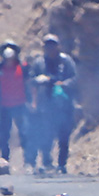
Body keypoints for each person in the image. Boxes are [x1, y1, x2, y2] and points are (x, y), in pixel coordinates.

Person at [29, 34, 78, 174]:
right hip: (46, 104)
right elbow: (31, 80)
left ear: (58, 46)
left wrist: (64, 84)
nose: (50, 48)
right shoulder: (39, 62)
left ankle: (62, 164)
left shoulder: (66, 61)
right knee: (46, 134)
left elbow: (74, 77)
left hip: (64, 104)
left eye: (53, 45)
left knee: (64, 135)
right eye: (47, 45)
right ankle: (46, 162)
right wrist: (39, 80)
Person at [0, 39, 32, 168]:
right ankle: (5, 162)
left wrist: (31, 101)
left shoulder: (23, 67)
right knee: (4, 135)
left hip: (20, 105)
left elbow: (29, 84)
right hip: (4, 106)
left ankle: (28, 162)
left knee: (25, 133)